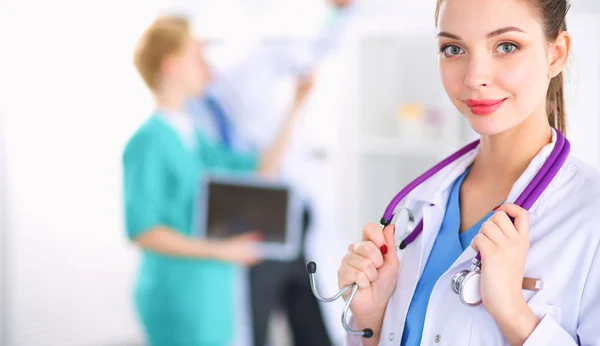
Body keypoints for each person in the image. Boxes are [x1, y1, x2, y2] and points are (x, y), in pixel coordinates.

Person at [338, 0, 600, 345]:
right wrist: (369, 319)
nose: (474, 77)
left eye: (506, 46)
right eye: (453, 48)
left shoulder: (589, 215)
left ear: (556, 54)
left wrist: (512, 312)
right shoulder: (421, 202)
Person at [174, 1, 361, 345]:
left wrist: (336, 14)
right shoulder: (194, 107)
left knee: (309, 319)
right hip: (249, 221)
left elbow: (313, 50)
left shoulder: (256, 61)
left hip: (291, 210)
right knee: (254, 322)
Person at [122, 16, 311, 346]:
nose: (206, 67)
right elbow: (143, 230)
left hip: (211, 294)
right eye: (196, 56)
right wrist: (220, 250)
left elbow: (261, 171)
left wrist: (296, 105)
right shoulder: (148, 141)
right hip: (176, 293)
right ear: (171, 66)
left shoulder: (192, 135)